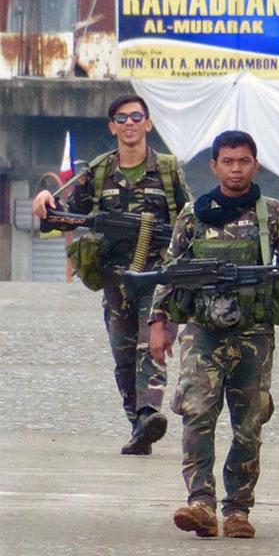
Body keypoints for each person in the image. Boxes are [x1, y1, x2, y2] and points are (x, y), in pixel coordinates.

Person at [147, 130, 279, 539]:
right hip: (202, 332)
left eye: (243, 161)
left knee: (249, 424)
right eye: (228, 161)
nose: (236, 169)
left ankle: (239, 508)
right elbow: (169, 270)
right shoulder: (194, 214)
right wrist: (159, 322)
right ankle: (201, 503)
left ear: (255, 164)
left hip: (253, 334)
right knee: (197, 416)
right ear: (214, 166)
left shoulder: (273, 214)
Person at [32, 94, 191, 455]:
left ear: (148, 124)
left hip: (157, 278)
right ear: (112, 126)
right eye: (122, 118)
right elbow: (67, 215)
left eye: (137, 117)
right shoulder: (98, 171)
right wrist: (45, 200)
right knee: (123, 356)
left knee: (149, 347)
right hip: (116, 280)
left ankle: (150, 411)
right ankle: (138, 424)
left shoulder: (166, 170)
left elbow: (189, 218)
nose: (130, 123)